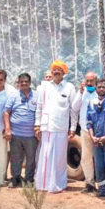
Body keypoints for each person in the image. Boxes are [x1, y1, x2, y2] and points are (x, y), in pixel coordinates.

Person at [34, 60, 78, 193]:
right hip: (47, 126)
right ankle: (43, 185)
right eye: (54, 70)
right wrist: (37, 124)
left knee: (59, 158)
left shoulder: (69, 87)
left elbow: (73, 109)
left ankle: (58, 185)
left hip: (61, 127)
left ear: (64, 72)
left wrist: (73, 128)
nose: (56, 72)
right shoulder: (45, 87)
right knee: (45, 156)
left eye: (59, 70)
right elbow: (40, 106)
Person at [4, 73, 37, 188]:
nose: (23, 83)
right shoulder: (13, 96)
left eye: (26, 81)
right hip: (16, 134)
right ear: (18, 83)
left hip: (31, 135)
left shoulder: (36, 96)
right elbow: (6, 112)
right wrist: (8, 129)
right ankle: (15, 178)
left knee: (31, 158)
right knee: (16, 158)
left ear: (30, 82)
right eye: (21, 81)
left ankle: (28, 180)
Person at [86, 79, 105, 198]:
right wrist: (92, 136)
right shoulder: (91, 102)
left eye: (103, 87)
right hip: (96, 141)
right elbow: (89, 122)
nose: (101, 89)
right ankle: (102, 191)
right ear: (96, 89)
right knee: (99, 165)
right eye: (99, 87)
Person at [73, 71, 98, 193]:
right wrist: (80, 92)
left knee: (100, 159)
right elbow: (74, 107)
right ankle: (90, 184)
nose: (89, 83)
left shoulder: (102, 92)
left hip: (98, 132)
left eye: (91, 81)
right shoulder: (82, 93)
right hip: (84, 130)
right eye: (87, 81)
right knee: (86, 158)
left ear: (96, 81)